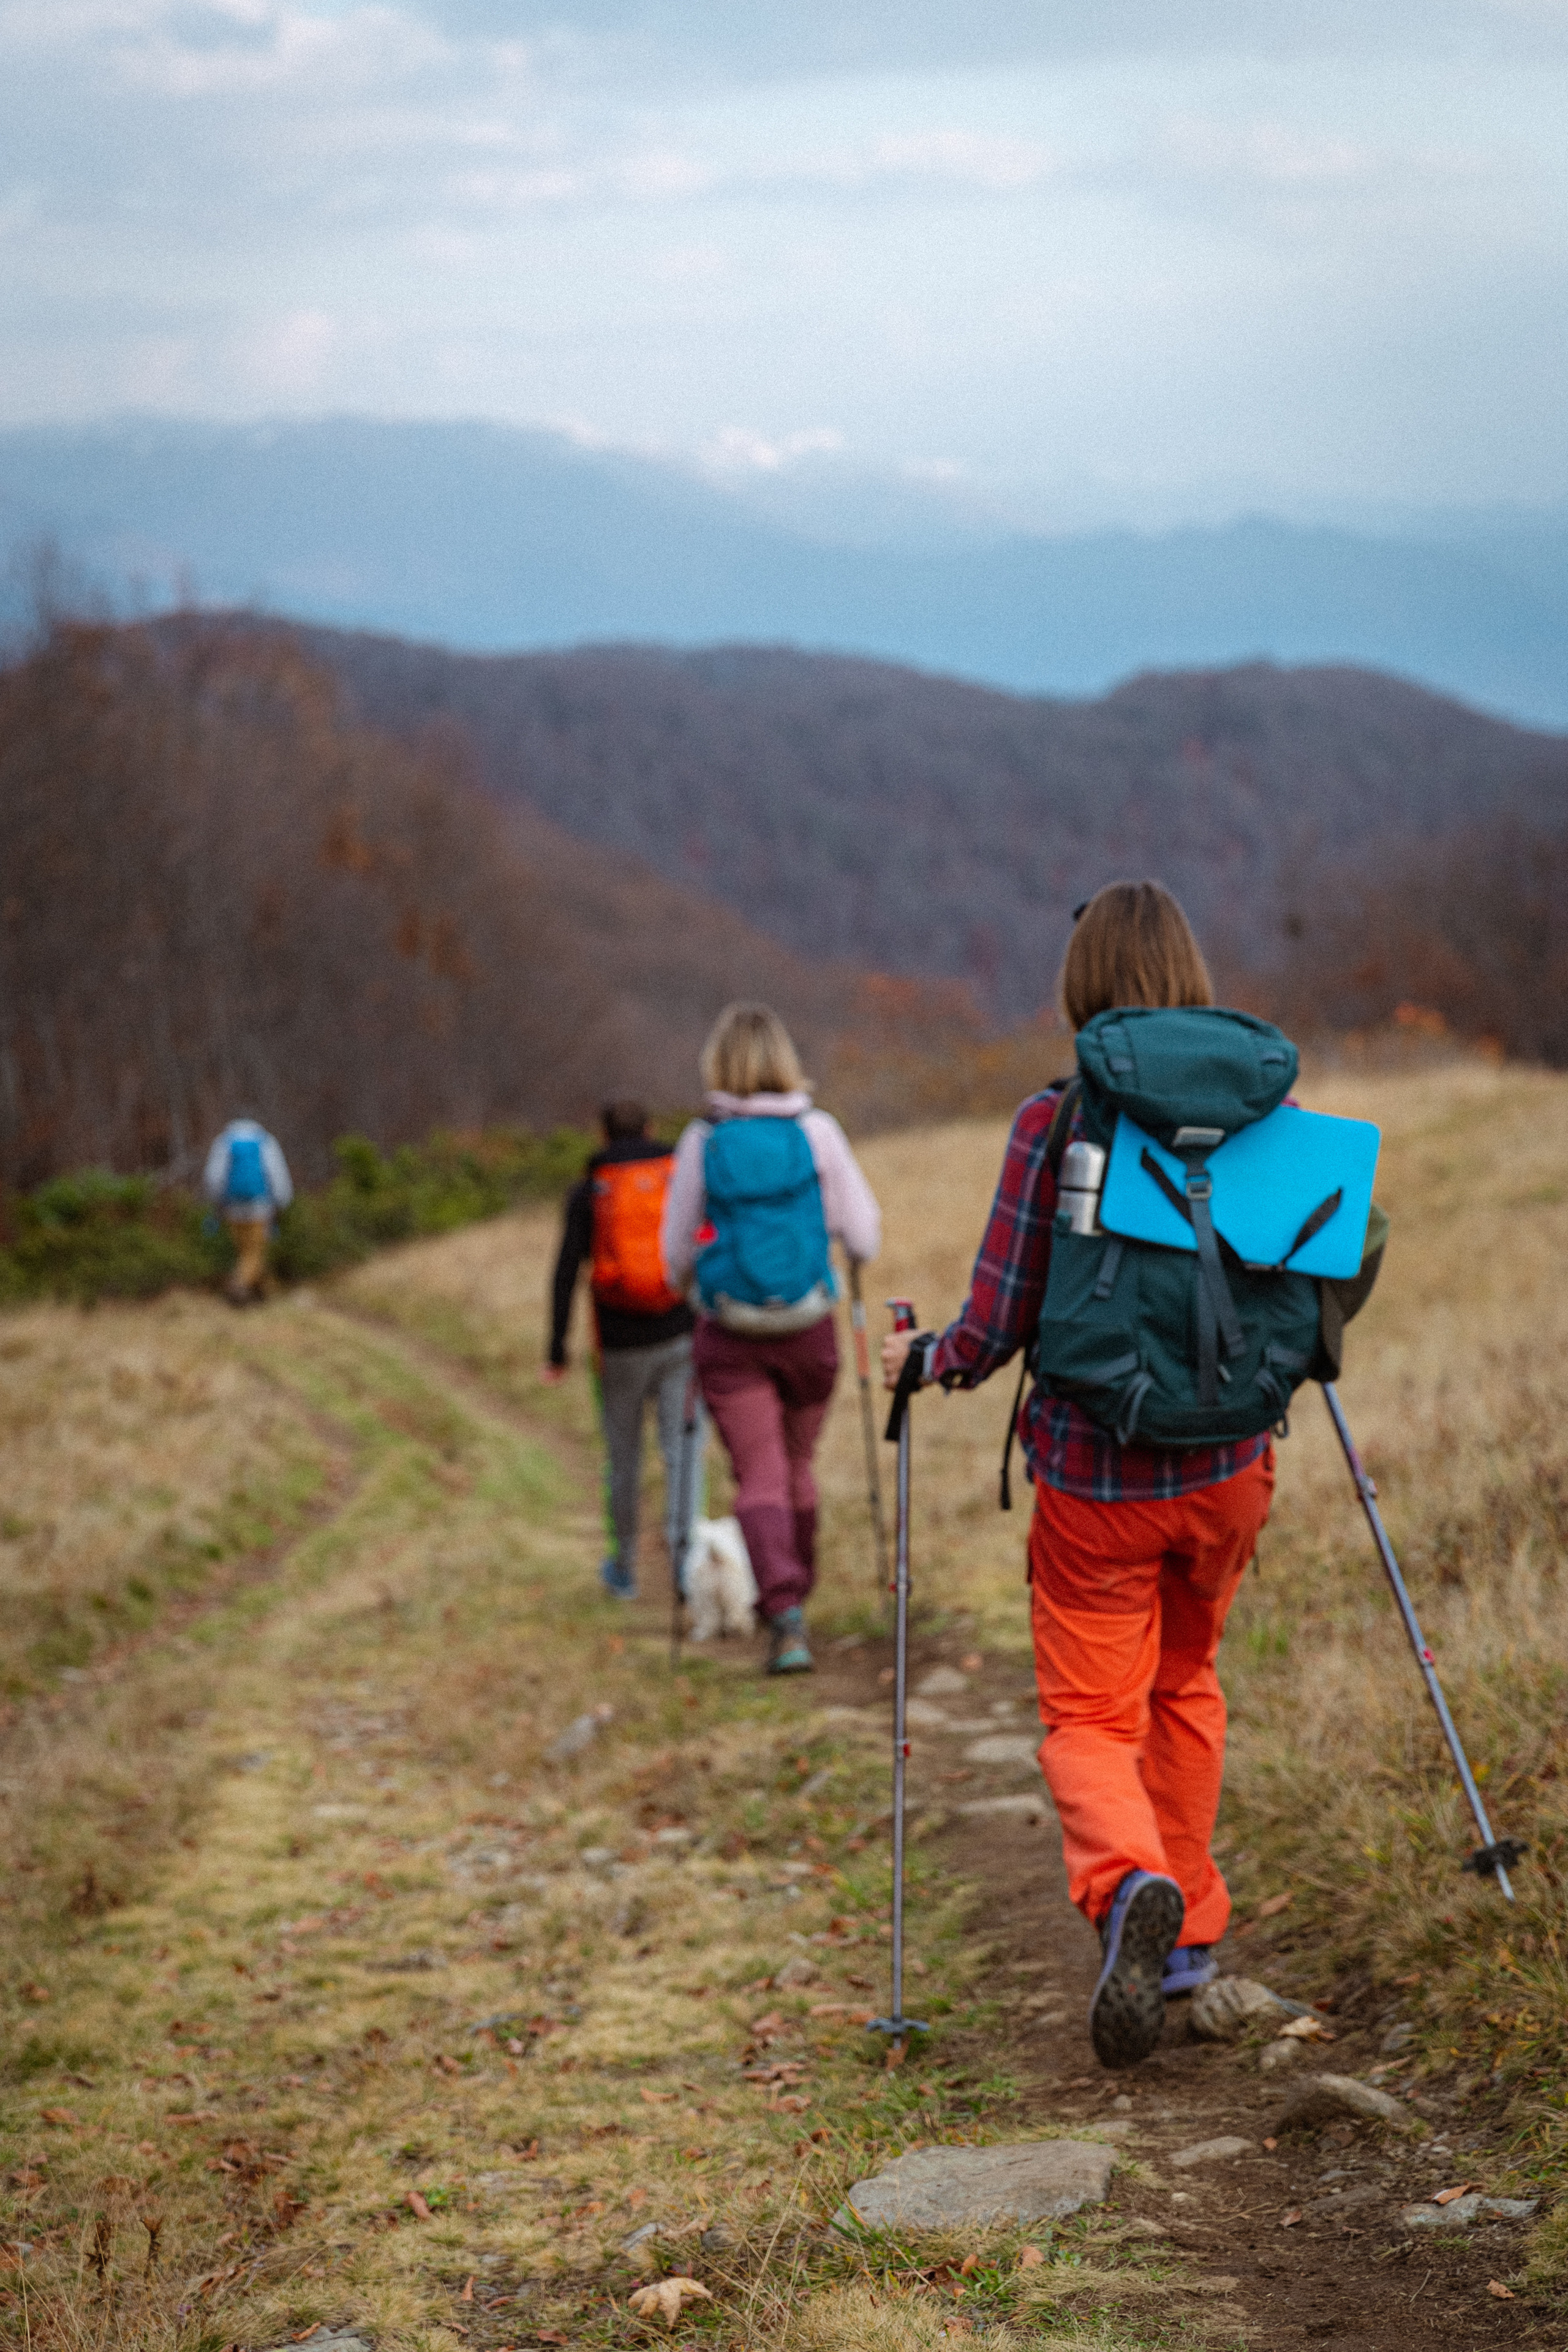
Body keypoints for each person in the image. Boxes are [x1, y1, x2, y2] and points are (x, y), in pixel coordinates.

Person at [882, 883, 1277, 2067]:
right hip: (1231, 1465)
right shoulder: (1270, 1111)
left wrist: (930, 1363)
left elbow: (999, 1314)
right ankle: (1193, 1936)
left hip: (1099, 1481)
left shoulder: (1051, 1125)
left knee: (1090, 1716)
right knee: (1186, 1685)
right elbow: (1307, 1281)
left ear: (1083, 987)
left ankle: (1128, 1888)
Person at [662, 1002, 881, 1675]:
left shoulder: (705, 1139)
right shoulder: (818, 1133)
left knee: (758, 1476)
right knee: (797, 1467)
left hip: (732, 1331)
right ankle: (796, 1589)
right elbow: (865, 1236)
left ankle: (784, 1613)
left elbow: (672, 1252)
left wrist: (689, 1287)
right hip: (810, 1327)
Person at [547, 1100, 707, 1599]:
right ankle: (686, 1566)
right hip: (681, 1334)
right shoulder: (677, 1177)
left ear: (602, 1135)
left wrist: (556, 1348)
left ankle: (624, 1569)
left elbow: (566, 1271)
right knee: (683, 1452)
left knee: (624, 1458)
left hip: (617, 1346)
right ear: (652, 1127)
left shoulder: (590, 1192)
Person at [203, 1113, 293, 1305]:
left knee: (244, 1250)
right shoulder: (265, 1141)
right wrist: (282, 1200)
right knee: (255, 1252)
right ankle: (239, 1285)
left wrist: (216, 1202)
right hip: (260, 1207)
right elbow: (277, 1173)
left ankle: (258, 1294)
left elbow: (214, 1176)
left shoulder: (224, 1142)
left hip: (233, 1207)